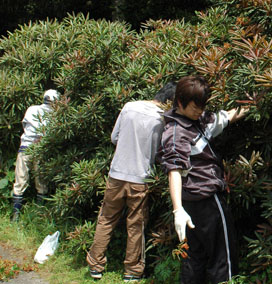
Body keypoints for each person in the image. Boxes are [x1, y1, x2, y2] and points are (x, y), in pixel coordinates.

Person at [157, 75, 247, 284]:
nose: (200, 111)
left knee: (194, 256)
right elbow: (174, 171)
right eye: (195, 107)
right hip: (205, 199)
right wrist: (177, 209)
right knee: (222, 256)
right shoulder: (176, 133)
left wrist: (255, 103)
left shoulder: (197, 121)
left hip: (193, 201)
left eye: (202, 106)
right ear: (180, 102)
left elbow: (226, 118)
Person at [86, 81, 176, 283]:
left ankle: (95, 266)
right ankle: (132, 271)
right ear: (170, 102)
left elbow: (114, 137)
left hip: (117, 174)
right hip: (141, 179)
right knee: (136, 225)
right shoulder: (162, 118)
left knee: (106, 219)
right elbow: (161, 152)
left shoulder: (129, 107)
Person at [12, 89, 60, 221]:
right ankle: (39, 214)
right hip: (41, 150)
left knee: (20, 182)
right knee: (42, 183)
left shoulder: (31, 109)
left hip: (25, 148)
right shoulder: (55, 114)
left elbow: (25, 125)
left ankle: (15, 216)